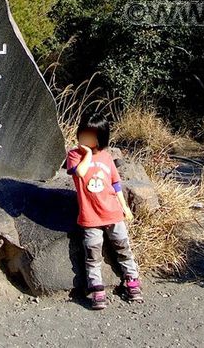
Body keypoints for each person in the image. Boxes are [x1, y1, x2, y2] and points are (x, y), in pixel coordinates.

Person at [64, 115, 143, 310]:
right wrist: (88, 155)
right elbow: (80, 173)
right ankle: (96, 287)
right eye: (83, 133)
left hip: (113, 213)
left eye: (91, 135)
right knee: (92, 253)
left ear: (101, 137)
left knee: (123, 246)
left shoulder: (107, 158)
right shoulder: (75, 155)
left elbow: (116, 184)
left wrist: (124, 207)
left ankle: (131, 279)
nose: (85, 138)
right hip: (90, 216)